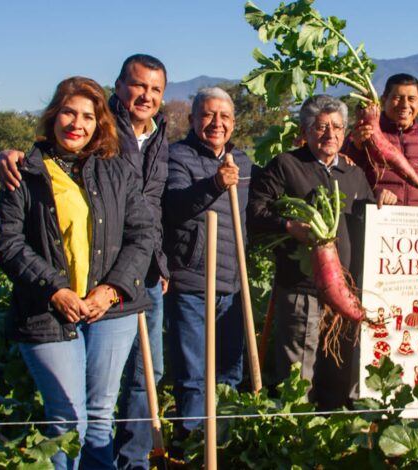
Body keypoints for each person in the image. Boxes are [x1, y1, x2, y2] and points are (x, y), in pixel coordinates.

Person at [0, 54, 170, 470]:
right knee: (66, 418)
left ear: (99, 122)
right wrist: (53, 289)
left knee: (99, 417)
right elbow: (7, 240)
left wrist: (111, 290)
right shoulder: (26, 170)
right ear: (54, 116)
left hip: (112, 309)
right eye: (69, 113)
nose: (77, 124)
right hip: (47, 310)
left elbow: (142, 233)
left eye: (87, 117)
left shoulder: (116, 171)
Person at [247, 95, 396, 409]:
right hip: (303, 289)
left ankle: (330, 439)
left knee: (338, 368)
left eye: (337, 127)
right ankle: (295, 438)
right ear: (305, 130)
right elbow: (255, 214)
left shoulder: (353, 174)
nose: (330, 134)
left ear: (345, 133)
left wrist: (383, 201)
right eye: (321, 127)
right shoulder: (287, 165)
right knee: (299, 373)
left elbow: (367, 221)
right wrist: (289, 226)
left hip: (347, 291)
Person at [162, 87, 256, 438]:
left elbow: (262, 205)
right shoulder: (177, 157)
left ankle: (224, 443)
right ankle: (190, 445)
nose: (217, 123)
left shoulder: (243, 162)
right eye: (207, 115)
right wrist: (214, 184)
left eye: (225, 116)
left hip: (232, 285)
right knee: (193, 376)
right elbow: (174, 206)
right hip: (191, 283)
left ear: (233, 122)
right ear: (192, 120)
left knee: (230, 373)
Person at [341, 73, 418, 206]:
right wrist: (355, 147)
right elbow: (345, 177)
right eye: (397, 98)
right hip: (378, 218)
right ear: (383, 100)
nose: (405, 105)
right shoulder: (362, 135)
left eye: (411, 99)